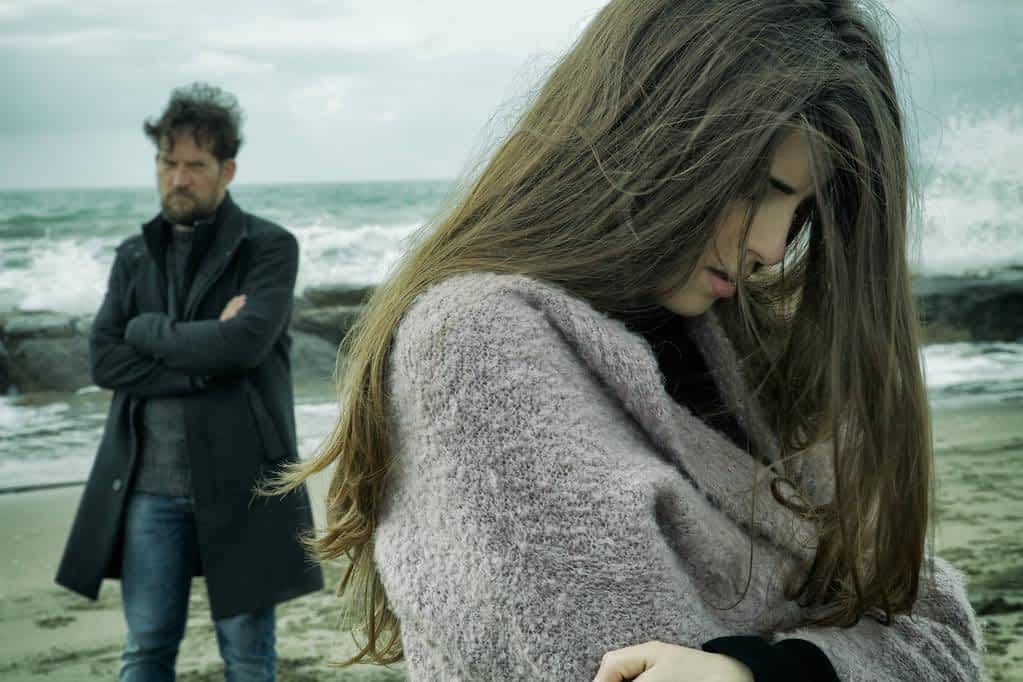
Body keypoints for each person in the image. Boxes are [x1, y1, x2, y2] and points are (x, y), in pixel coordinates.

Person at [277, 0, 984, 680]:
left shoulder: (753, 346)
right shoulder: (476, 347)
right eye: (755, 186)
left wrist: (756, 669)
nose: (771, 246)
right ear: (653, 136)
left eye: (798, 208)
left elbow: (936, 625)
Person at [56, 83, 324, 681]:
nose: (178, 178)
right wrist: (206, 361)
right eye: (167, 163)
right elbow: (104, 360)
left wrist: (148, 331)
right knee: (146, 649)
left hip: (243, 477)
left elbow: (247, 342)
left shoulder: (269, 247)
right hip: (148, 486)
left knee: (249, 656)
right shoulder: (133, 255)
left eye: (195, 165)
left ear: (227, 170)